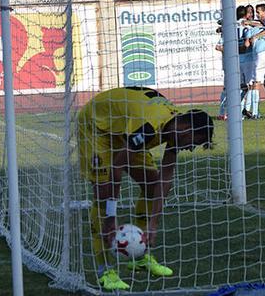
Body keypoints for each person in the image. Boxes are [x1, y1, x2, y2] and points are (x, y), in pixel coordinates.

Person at [77, 86, 214, 290]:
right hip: (97, 126)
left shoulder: (174, 129)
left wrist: (153, 223)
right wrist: (111, 217)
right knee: (103, 193)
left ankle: (139, 256)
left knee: (152, 185)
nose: (190, 148)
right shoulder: (149, 127)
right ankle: (104, 269)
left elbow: (165, 180)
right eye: (194, 142)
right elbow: (117, 168)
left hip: (124, 130)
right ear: (186, 128)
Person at [216, 6, 250, 120]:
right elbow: (218, 46)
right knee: (240, 88)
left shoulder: (228, 27)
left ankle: (223, 113)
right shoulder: (243, 26)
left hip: (231, 62)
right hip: (234, 62)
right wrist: (233, 49)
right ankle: (232, 113)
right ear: (246, 15)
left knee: (230, 88)